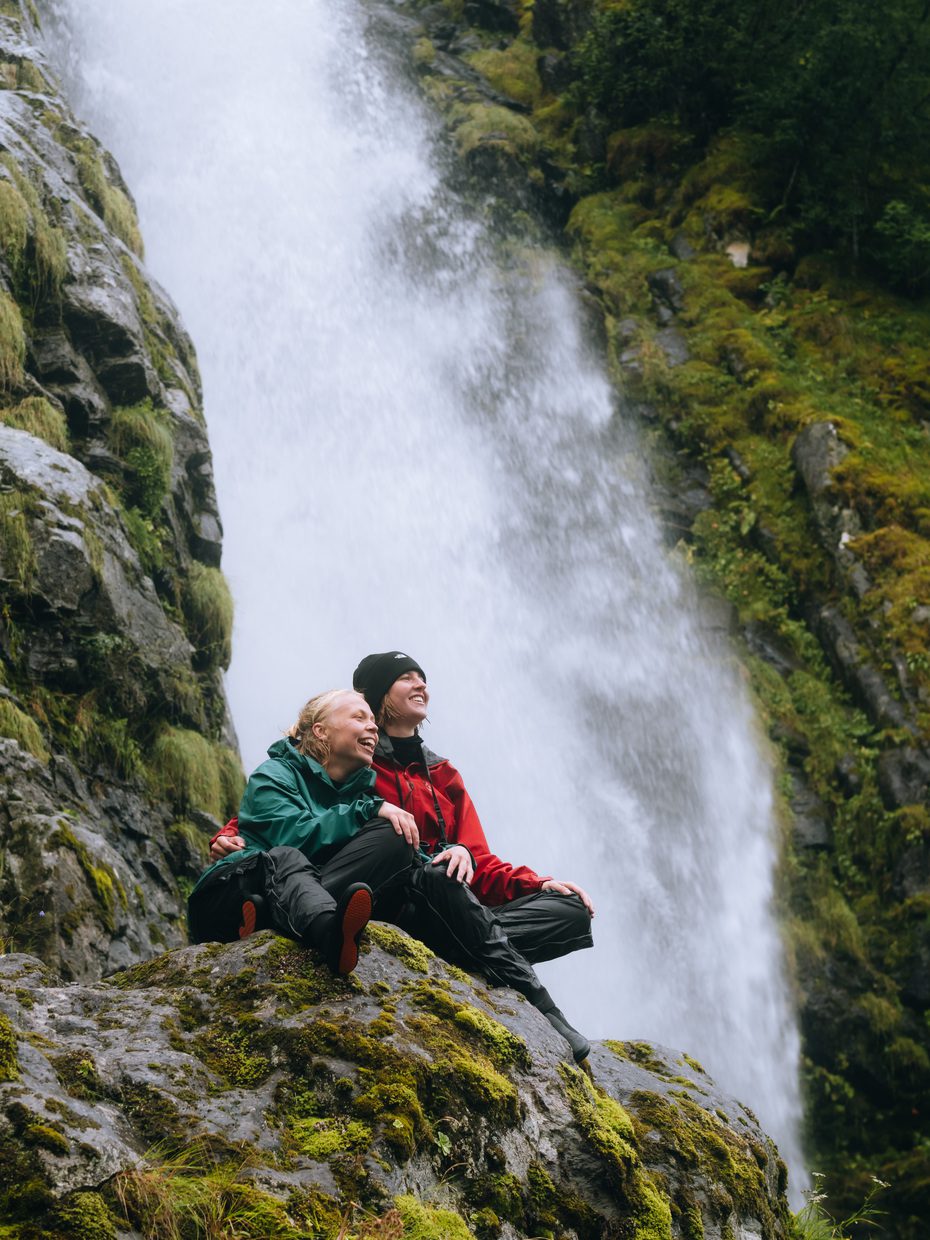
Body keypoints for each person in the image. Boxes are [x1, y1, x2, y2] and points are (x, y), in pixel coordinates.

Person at [200, 688, 591, 1062]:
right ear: (320, 730)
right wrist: (227, 835)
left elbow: (432, 853)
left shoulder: (398, 781)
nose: (369, 726)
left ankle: (532, 998)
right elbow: (277, 830)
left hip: (348, 890)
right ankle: (323, 930)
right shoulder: (286, 775)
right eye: (359, 716)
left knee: (429, 864)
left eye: (371, 720)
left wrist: (452, 855)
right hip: (274, 886)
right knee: (300, 855)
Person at [352, 651, 594, 966]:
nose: (421, 686)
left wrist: (537, 883)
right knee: (437, 881)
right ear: (380, 693)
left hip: (457, 908)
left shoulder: (442, 773)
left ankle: (458, 949)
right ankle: (472, 947)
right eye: (406, 678)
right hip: (403, 901)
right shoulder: (359, 763)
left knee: (571, 910)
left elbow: (478, 861)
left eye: (423, 679)